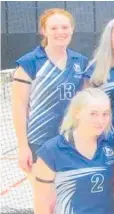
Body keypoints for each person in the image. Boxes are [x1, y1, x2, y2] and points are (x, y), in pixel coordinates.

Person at [32, 88, 114, 214]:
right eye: (93, 114)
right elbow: (41, 201)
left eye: (105, 114)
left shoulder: (112, 143)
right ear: (78, 113)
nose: (101, 120)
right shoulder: (52, 150)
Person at [12, 8, 87, 176]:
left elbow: (85, 104)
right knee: (46, 201)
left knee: (68, 199)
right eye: (53, 28)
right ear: (43, 31)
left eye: (65, 27)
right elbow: (19, 107)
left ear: (72, 29)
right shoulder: (29, 62)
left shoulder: (80, 62)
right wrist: (23, 146)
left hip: (71, 141)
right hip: (39, 143)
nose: (60, 32)